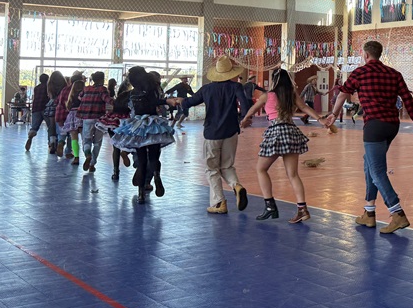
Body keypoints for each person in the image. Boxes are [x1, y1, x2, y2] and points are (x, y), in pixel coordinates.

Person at [323, 40, 413, 234]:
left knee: (377, 171)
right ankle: (369, 212)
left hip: (374, 127)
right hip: (392, 126)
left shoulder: (360, 73)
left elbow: (343, 94)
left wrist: (334, 114)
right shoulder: (394, 74)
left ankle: (397, 213)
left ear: (365, 54)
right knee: (368, 164)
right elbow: (408, 99)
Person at [242, 68, 324, 223]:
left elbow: (253, 108)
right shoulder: (291, 94)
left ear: (274, 81)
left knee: (261, 169)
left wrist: (245, 118)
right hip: (291, 131)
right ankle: (302, 209)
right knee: (293, 174)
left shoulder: (267, 95)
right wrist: (320, 120)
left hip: (276, 132)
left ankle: (270, 206)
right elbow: (305, 107)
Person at [180, 56, 251, 215]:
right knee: (227, 166)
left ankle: (219, 202)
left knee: (211, 169)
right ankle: (236, 186)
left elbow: (190, 102)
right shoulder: (236, 87)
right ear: (230, 73)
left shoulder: (207, 89)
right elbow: (245, 104)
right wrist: (245, 118)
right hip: (231, 131)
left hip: (212, 133)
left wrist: (181, 102)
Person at [110, 66, 177, 205]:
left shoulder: (133, 93)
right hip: (153, 124)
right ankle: (156, 175)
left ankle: (141, 195)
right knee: (154, 157)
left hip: (138, 125)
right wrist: (166, 101)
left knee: (141, 161)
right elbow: (153, 102)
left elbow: (122, 106)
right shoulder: (152, 90)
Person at [77, 72, 113, 173]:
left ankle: (88, 155)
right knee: (97, 142)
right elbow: (107, 99)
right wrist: (116, 103)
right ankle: (92, 164)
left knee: (86, 140)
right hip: (99, 119)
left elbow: (79, 97)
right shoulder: (102, 89)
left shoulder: (86, 88)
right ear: (102, 79)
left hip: (87, 118)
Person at [98, 78, 133, 182]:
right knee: (132, 142)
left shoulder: (120, 97)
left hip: (113, 120)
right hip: (126, 120)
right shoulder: (133, 96)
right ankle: (125, 152)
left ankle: (115, 172)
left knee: (115, 147)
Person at [24, 73, 49, 152]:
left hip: (36, 108)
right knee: (50, 127)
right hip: (46, 108)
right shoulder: (48, 87)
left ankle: (30, 136)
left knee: (34, 127)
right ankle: (51, 145)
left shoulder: (36, 88)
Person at [43, 71, 66, 155]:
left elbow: (49, 95)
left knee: (51, 126)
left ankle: (52, 143)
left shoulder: (50, 85)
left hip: (51, 105)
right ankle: (60, 142)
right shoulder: (64, 85)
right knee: (60, 125)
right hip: (61, 105)